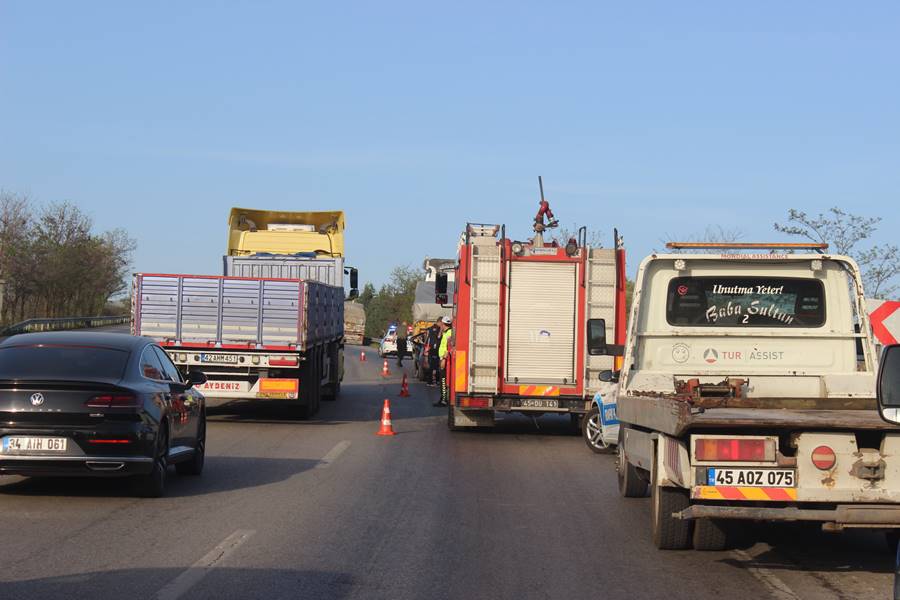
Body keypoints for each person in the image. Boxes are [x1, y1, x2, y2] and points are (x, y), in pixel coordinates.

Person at [435, 316, 453, 407]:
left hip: (445, 360)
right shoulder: (446, 332)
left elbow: (449, 348)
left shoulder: (449, 333)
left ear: (443, 324)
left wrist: (444, 359)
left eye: (441, 324)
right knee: (442, 380)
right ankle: (442, 398)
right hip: (442, 358)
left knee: (443, 380)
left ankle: (443, 400)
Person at [425, 321, 441, 387]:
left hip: (431, 350)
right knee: (436, 367)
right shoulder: (438, 329)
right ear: (439, 322)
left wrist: (426, 350)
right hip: (435, 350)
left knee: (431, 367)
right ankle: (436, 382)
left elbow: (427, 339)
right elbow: (439, 337)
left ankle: (430, 382)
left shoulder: (430, 328)